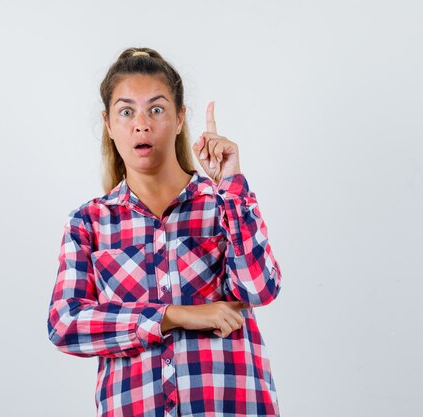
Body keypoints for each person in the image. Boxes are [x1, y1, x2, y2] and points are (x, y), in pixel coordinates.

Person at [46, 47, 282, 417]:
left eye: (156, 109)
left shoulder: (221, 203)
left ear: (179, 118)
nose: (141, 124)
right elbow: (65, 323)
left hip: (229, 405)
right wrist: (176, 315)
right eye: (126, 111)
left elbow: (260, 289)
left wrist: (232, 184)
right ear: (108, 123)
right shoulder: (88, 223)